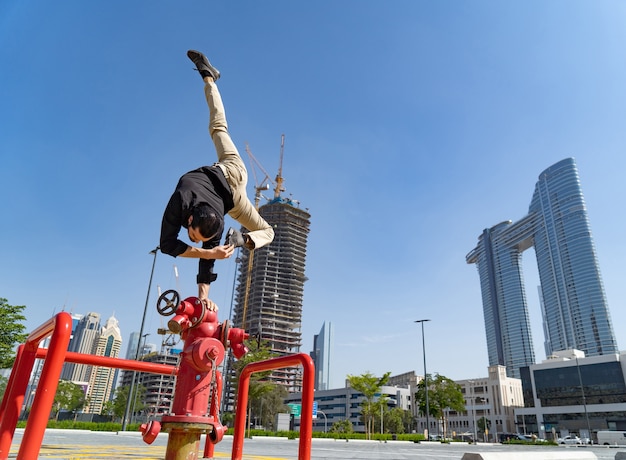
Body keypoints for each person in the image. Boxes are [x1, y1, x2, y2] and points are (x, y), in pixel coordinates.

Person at [160, 50, 274, 309]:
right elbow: (167, 245)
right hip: (229, 191)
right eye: (194, 235)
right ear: (189, 218)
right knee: (218, 128)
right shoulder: (181, 200)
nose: (193, 240)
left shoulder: (216, 224)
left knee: (268, 231)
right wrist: (207, 256)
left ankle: (244, 239)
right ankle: (209, 78)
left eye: (195, 238)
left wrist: (204, 289)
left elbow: (203, 258)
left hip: (232, 179)